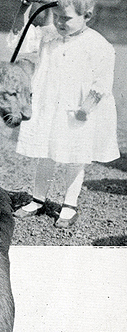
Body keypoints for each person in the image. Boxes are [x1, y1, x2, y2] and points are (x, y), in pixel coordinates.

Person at [8, 0, 120, 228]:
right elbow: (19, 39)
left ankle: (69, 204)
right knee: (45, 152)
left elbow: (102, 82)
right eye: (56, 16)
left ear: (86, 16)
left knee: (75, 157)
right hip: (50, 105)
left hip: (77, 111)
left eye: (66, 18)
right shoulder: (49, 35)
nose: (59, 22)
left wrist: (86, 109)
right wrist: (24, 8)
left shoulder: (98, 44)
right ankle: (38, 198)